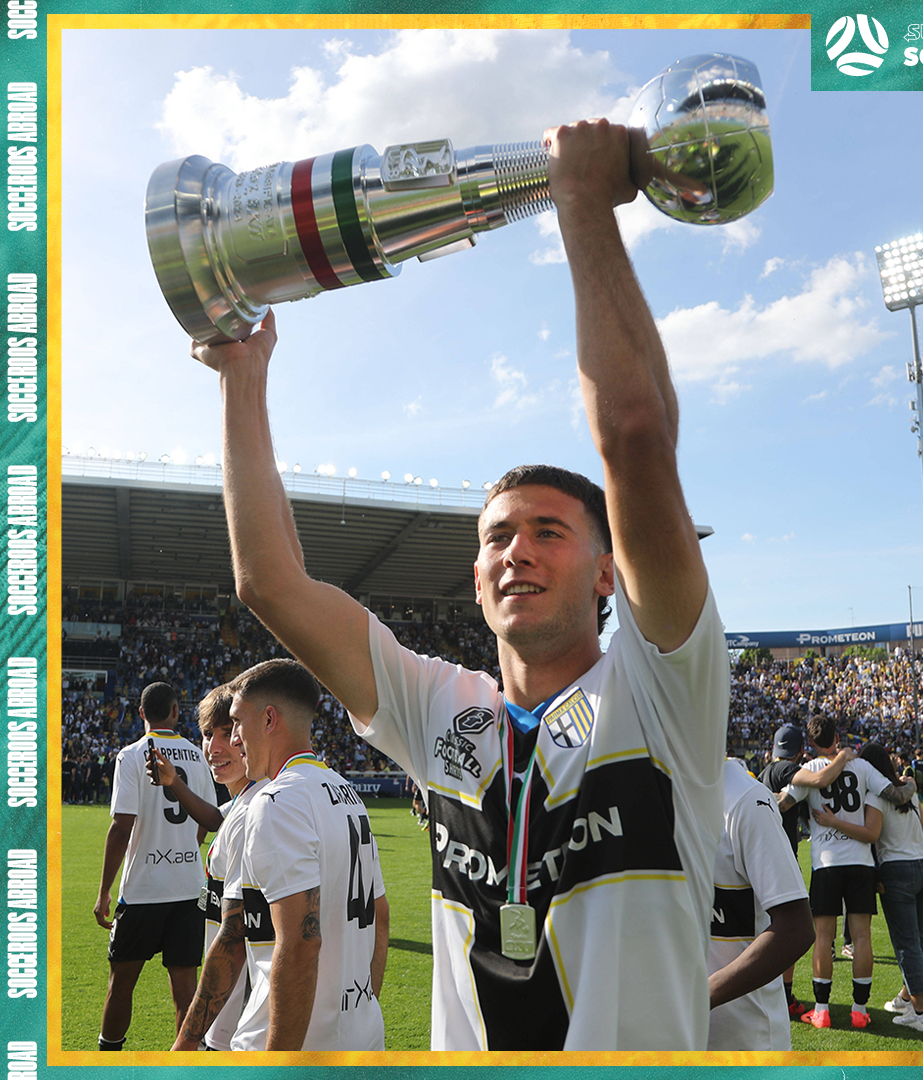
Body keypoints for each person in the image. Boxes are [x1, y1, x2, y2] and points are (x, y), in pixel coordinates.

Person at [192, 118, 729, 1050]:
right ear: (475, 583)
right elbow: (269, 580)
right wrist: (242, 376)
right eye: (495, 540)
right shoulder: (442, 712)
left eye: (547, 532)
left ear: (608, 571)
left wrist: (582, 206)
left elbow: (637, 432)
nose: (515, 550)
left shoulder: (659, 694)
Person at [216, 659, 388, 1051]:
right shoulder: (347, 792)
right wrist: (359, 1006)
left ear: (269, 719)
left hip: (302, 1046)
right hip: (362, 1032)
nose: (236, 738)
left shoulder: (278, 801)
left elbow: (300, 943)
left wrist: (280, 1063)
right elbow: (381, 914)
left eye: (238, 722)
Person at [93, 682, 216, 1050]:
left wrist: (103, 891)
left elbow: (121, 826)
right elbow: (206, 819)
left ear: (142, 713)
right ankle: (184, 1065)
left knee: (121, 984)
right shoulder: (197, 755)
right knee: (185, 989)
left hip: (144, 888)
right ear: (176, 712)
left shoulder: (132, 755)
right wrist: (184, 852)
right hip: (188, 886)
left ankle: (108, 1059)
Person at [776, 714, 916, 1031]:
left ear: (810, 744)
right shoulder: (862, 766)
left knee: (823, 937)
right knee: (862, 937)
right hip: (861, 864)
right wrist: (911, 783)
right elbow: (897, 795)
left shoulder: (810, 770)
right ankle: (859, 1010)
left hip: (825, 863)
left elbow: (783, 804)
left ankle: (822, 1010)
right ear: (837, 736)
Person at [148, 684, 267, 1052]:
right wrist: (175, 783)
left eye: (228, 734)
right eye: (207, 734)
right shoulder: (241, 807)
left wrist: (191, 1036)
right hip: (227, 1019)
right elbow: (214, 817)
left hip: (237, 1025)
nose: (215, 747)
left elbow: (238, 938)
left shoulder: (258, 814)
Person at [812, 743, 923, 1033]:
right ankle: (907, 997)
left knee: (907, 944)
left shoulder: (874, 796)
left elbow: (871, 835)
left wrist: (833, 821)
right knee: (918, 939)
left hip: (897, 869)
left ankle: (922, 1013)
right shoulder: (909, 792)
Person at [707, 759, 814, 1050]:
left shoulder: (744, 799)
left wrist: (700, 998)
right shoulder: (652, 797)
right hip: (678, 1042)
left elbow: (796, 929)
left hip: (746, 1042)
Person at [757, 723, 812, 1017]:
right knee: (790, 928)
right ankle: (785, 997)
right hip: (782, 857)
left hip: (760, 855)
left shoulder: (767, 770)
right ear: (799, 751)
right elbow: (809, 778)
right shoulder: (786, 771)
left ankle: (768, 993)